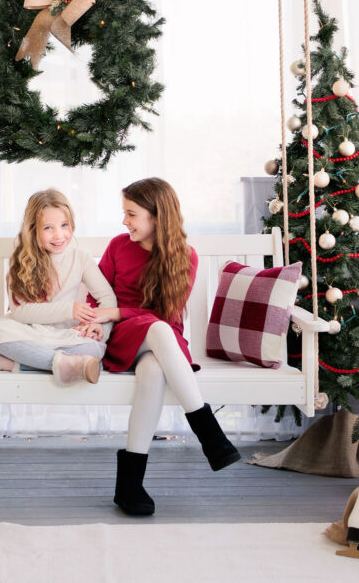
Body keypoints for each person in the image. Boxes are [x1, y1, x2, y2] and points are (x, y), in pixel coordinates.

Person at [90, 177, 241, 516]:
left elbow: (166, 314)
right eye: (124, 213)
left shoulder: (184, 256)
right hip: (125, 337)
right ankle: (210, 435)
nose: (124, 221)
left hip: (164, 342)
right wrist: (102, 317)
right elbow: (97, 294)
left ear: (157, 217)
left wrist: (117, 309)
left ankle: (129, 485)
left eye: (131, 214)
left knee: (155, 369)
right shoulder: (117, 246)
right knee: (157, 330)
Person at [0, 188, 117, 385]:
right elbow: (20, 313)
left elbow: (107, 298)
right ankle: (68, 365)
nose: (59, 235)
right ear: (32, 229)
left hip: (68, 334)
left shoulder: (80, 258)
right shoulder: (21, 261)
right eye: (48, 228)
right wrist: (69, 309)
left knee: (95, 349)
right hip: (30, 331)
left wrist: (98, 325)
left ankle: (7, 364)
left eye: (64, 225)